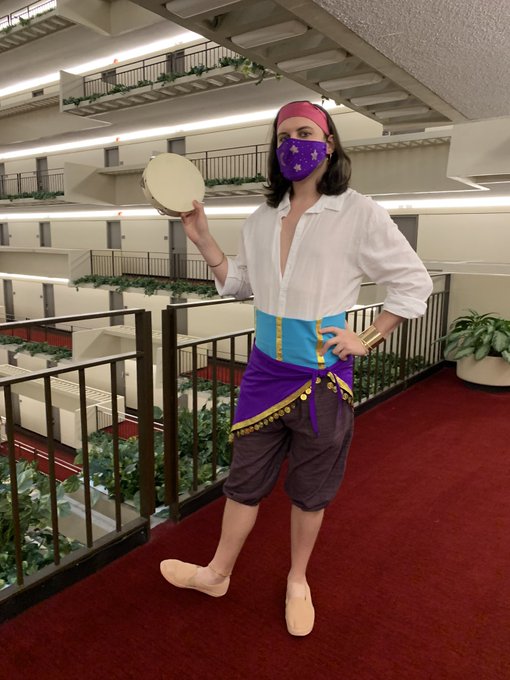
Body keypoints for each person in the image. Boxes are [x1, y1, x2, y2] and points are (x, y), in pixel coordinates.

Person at [160, 100, 433, 636]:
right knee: (243, 482)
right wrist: (203, 238)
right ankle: (217, 573)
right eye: (283, 136)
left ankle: (297, 580)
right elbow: (241, 284)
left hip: (323, 379)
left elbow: (413, 282)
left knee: (310, 490)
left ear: (328, 144)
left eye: (305, 133)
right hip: (264, 374)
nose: (293, 144)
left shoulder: (358, 213)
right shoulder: (260, 219)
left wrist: (367, 337)